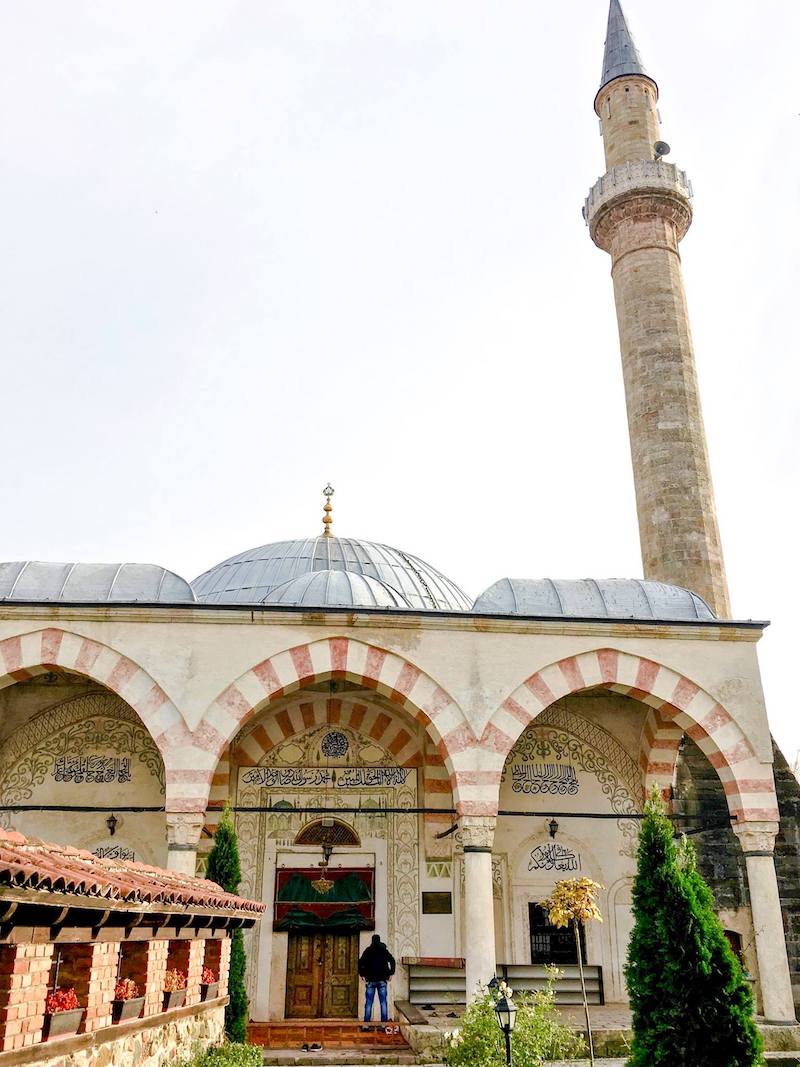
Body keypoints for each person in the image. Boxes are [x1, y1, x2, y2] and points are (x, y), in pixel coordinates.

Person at [358, 933, 395, 1026]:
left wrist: (362, 974)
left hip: (370, 980)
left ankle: (366, 1025)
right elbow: (392, 960)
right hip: (382, 980)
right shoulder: (383, 950)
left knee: (369, 1003)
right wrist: (391, 973)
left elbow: (360, 962)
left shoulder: (368, 950)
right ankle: (383, 1025)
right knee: (383, 1002)